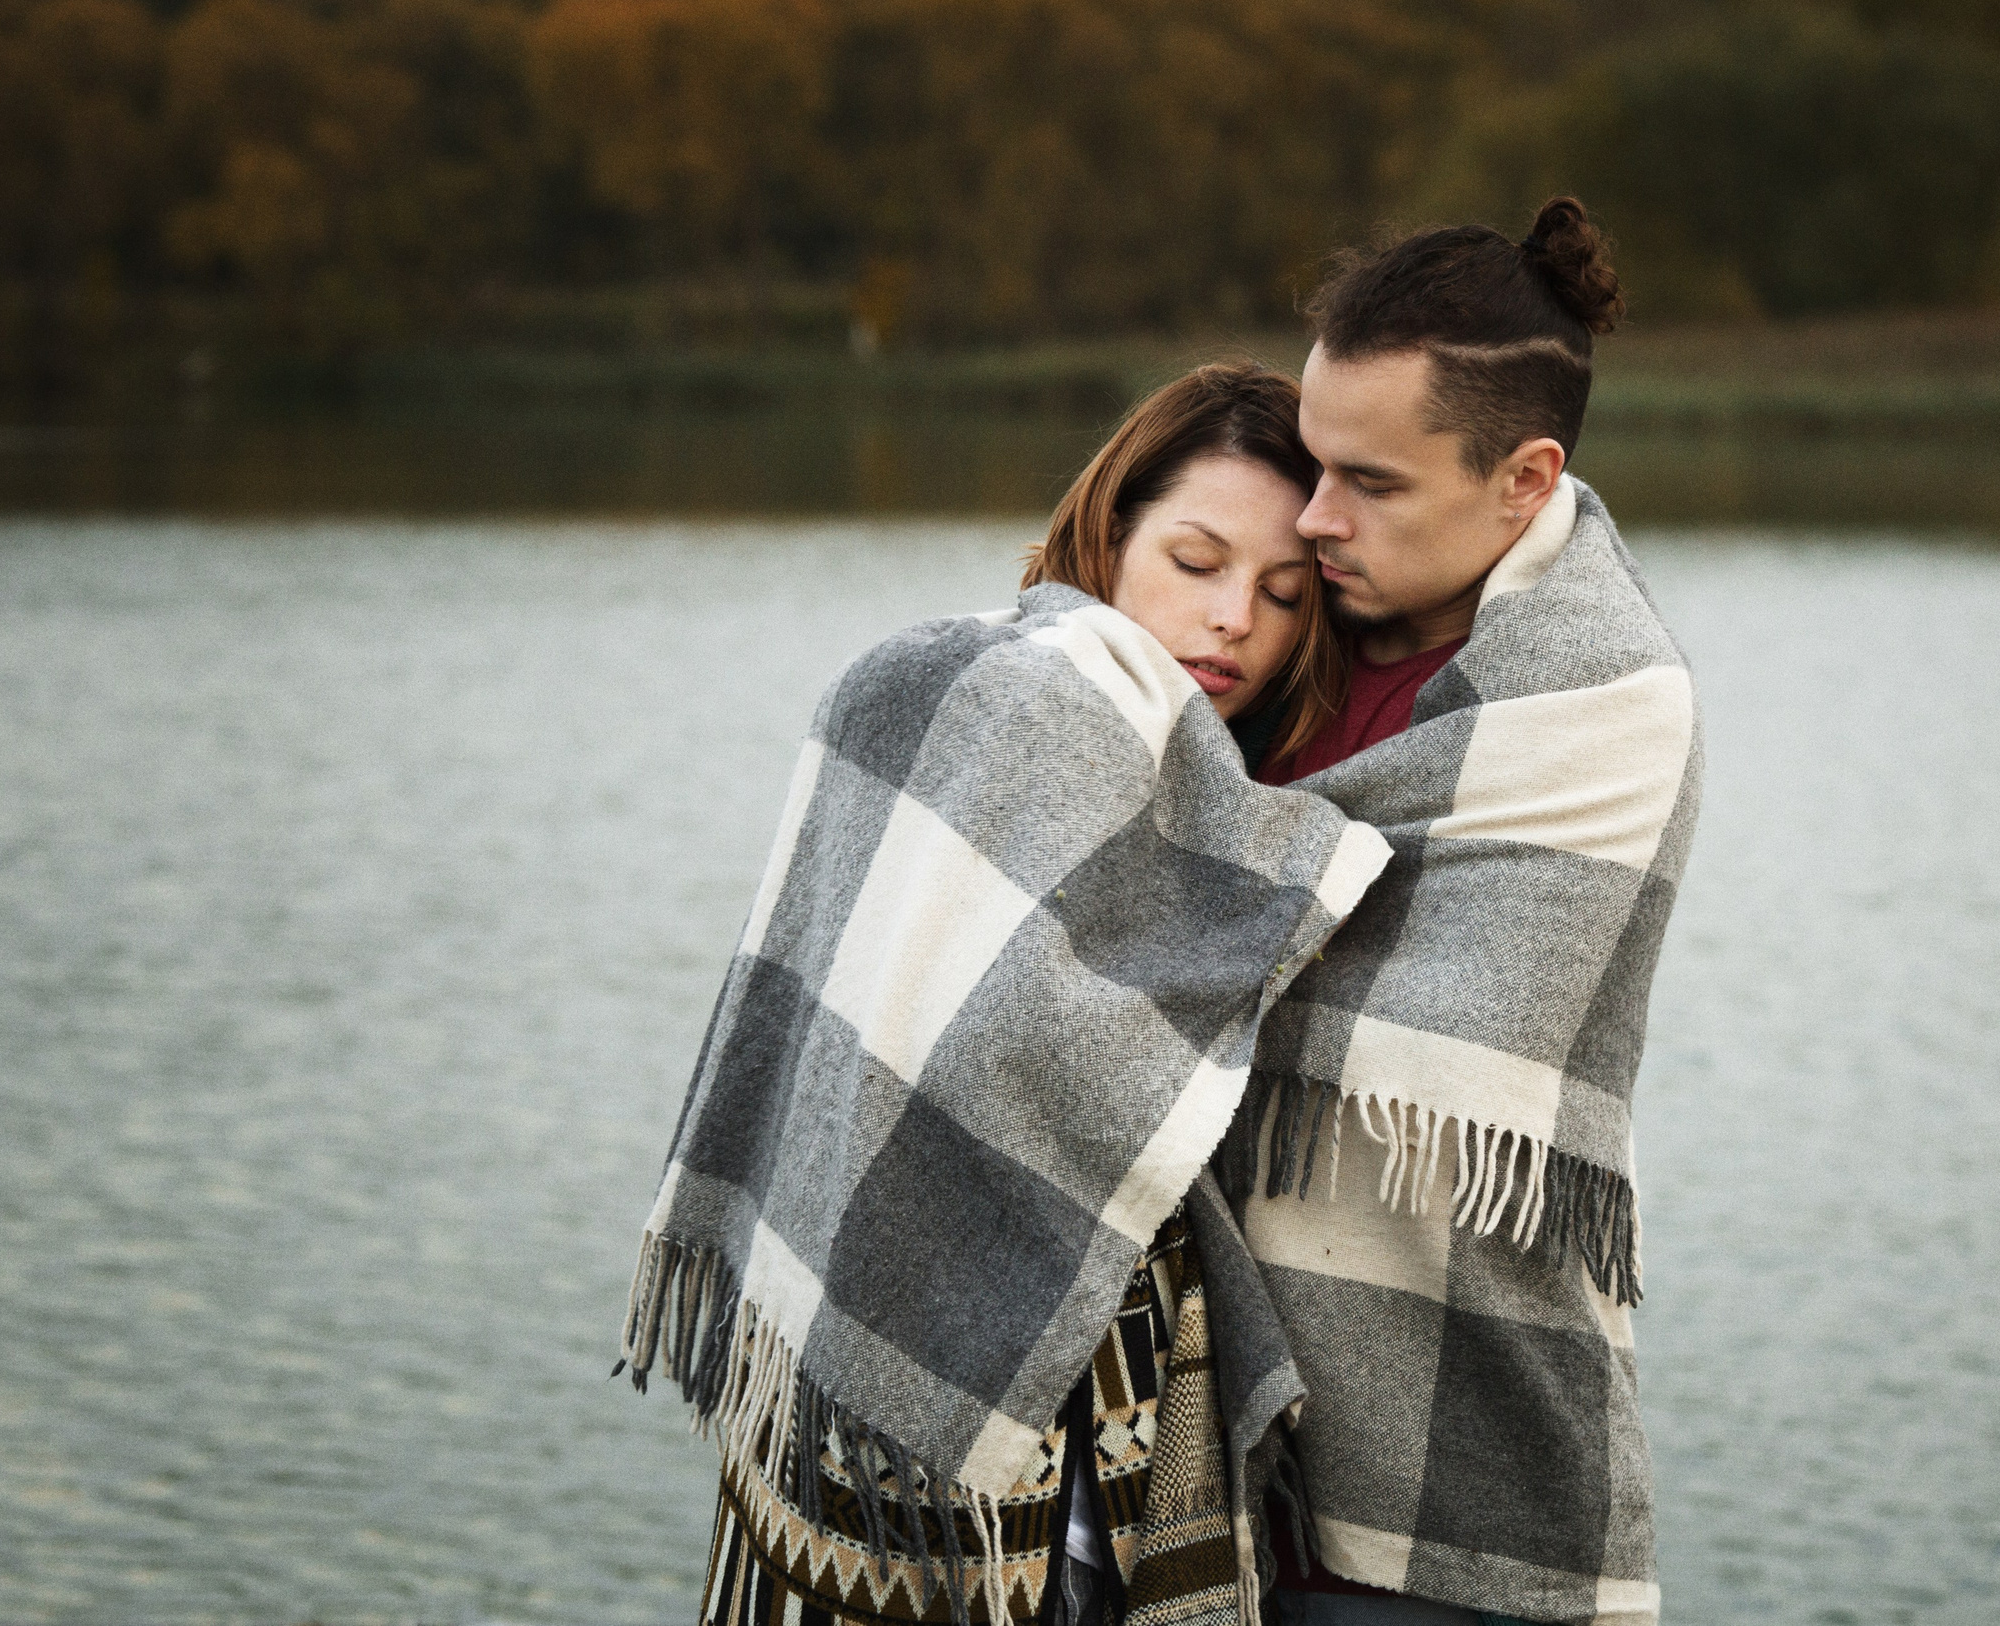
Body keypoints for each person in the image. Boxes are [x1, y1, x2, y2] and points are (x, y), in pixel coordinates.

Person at [628, 364, 1385, 1626]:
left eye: (1281, 594)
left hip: (1103, 1382)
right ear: (1111, 530)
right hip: (944, 1368)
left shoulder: (1209, 793)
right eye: (1193, 560)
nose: (1232, 621)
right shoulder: (1001, 689)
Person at [1224, 198, 1701, 1626]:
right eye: (1310, 464)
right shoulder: (1263, 627)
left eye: (1368, 481)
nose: (1313, 519)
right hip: (1187, 1458)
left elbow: (1423, 1035)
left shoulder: (1603, 705)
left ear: (1524, 475)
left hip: (1456, 1471)